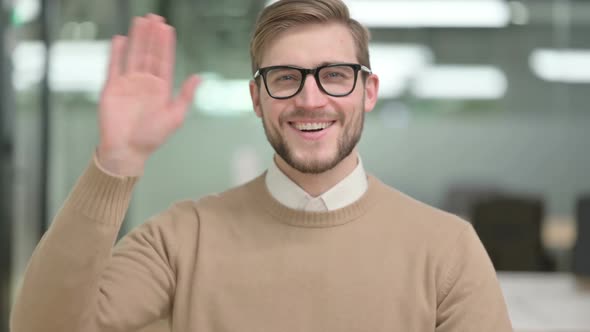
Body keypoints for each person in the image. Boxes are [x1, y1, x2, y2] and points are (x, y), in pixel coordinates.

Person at [11, 0, 513, 331]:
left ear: (368, 90)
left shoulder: (449, 250)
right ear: (257, 97)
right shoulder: (181, 239)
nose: (310, 99)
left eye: (335, 75)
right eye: (285, 77)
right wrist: (115, 162)